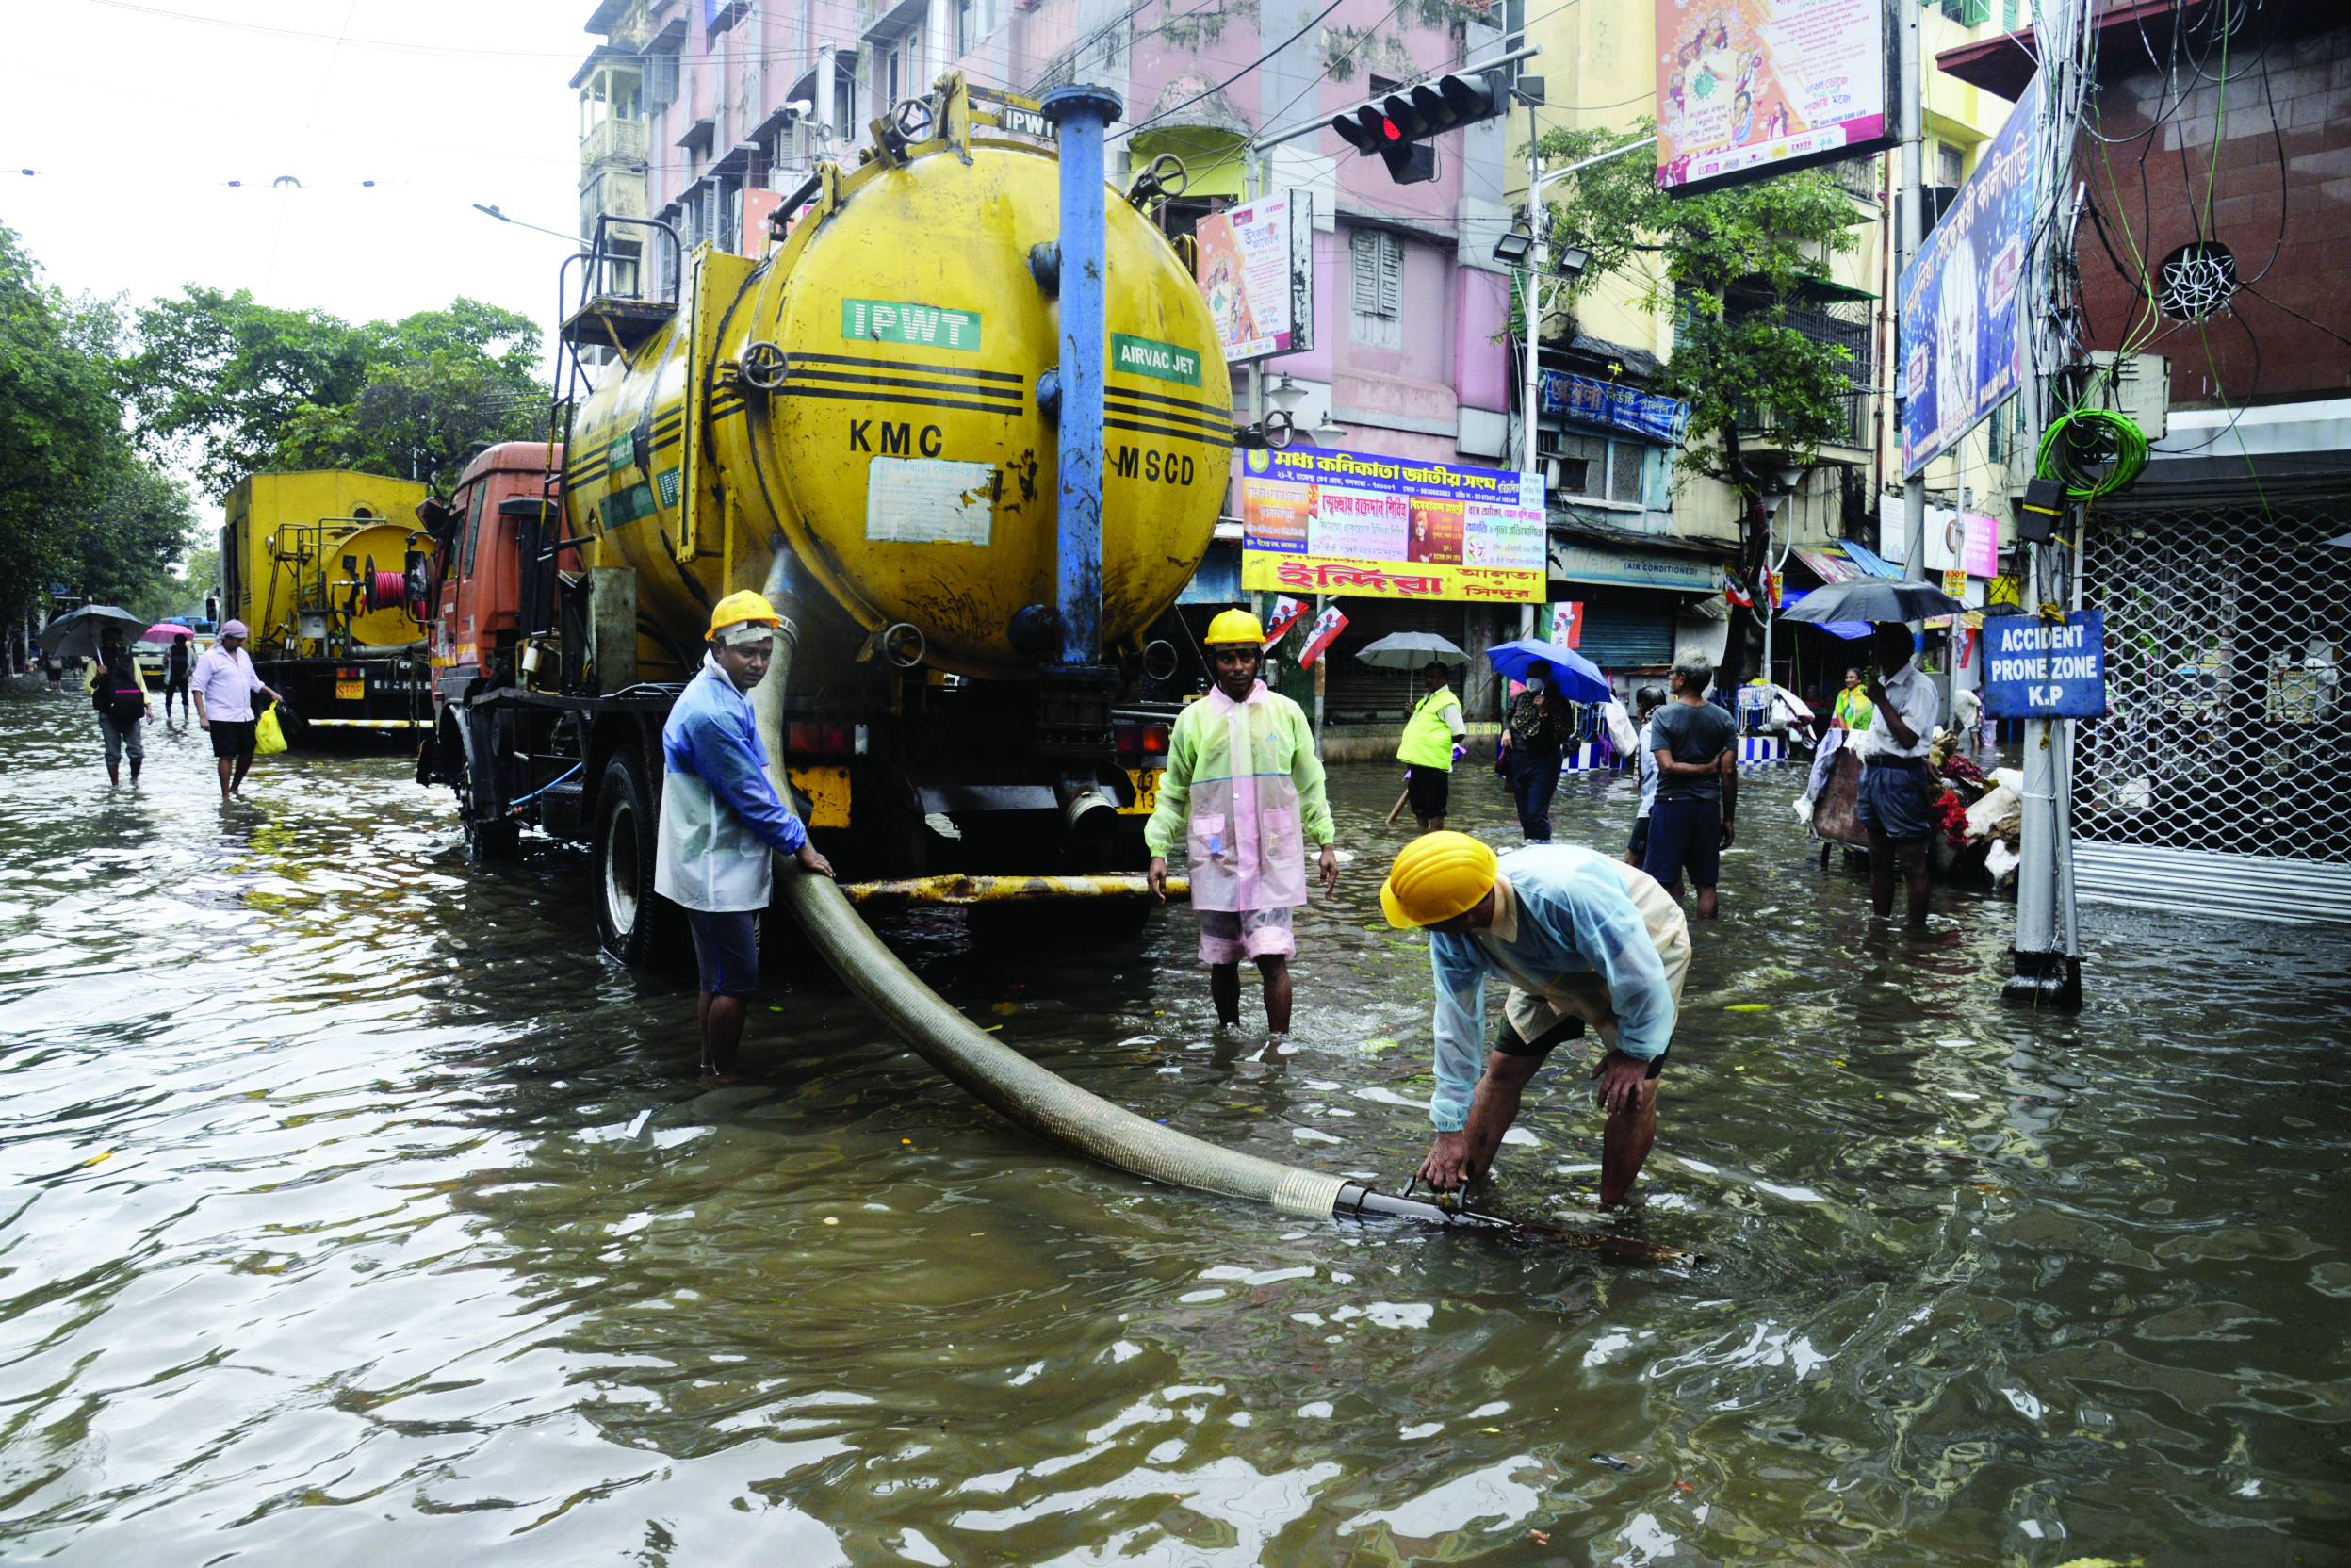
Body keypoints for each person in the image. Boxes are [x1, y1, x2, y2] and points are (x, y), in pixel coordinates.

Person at [1381, 832, 1690, 1209]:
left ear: (1463, 916)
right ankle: (1466, 1190)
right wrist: (1448, 1127)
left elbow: (1639, 977)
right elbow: (1455, 1022)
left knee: (1632, 1093)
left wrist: (1635, 1054)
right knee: (1504, 1068)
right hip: (1546, 965)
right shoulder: (1451, 931)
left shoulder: (1565, 895)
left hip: (1644, 951)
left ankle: (1610, 1211)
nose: (1422, 929)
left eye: (1425, 923)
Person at [655, 590, 837, 1080]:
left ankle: (709, 1064)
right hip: (716, 868)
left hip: (711, 861)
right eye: (747, 653)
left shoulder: (724, 694)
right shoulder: (711, 713)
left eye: (766, 653)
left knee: (713, 978)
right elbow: (753, 797)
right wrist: (802, 845)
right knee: (736, 982)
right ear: (718, 649)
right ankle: (724, 1079)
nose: (758, 663)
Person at [1145, 609, 1340, 1035]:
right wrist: (1158, 850)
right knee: (1222, 958)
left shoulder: (1286, 713)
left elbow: (1310, 783)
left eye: (1246, 657)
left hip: (1272, 858)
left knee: (1272, 958)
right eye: (1228, 658)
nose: (1238, 667)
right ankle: (1228, 1039)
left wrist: (1325, 842)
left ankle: (1279, 1046)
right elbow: (1174, 792)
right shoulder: (1192, 721)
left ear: (1259, 658)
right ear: (1214, 659)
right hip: (1217, 858)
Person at [1855, 622, 1944, 930]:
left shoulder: (1918, 687)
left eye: (1877, 645)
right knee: (1878, 860)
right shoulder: (1883, 682)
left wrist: (1879, 699)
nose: (1872, 651)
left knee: (1911, 864)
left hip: (1900, 780)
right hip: (1874, 775)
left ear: (1891, 650)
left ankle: (1916, 936)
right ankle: (1880, 928)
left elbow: (1907, 739)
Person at [1642, 654, 1738, 919]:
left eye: (1671, 673)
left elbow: (1667, 767)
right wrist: (1728, 819)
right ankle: (1708, 943)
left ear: (1683, 679)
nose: (1670, 678)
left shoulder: (1663, 715)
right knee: (1707, 885)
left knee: (1660, 883)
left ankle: (1668, 944)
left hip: (1671, 804)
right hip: (1707, 805)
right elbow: (1728, 771)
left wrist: (1705, 769)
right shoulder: (1724, 718)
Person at [191, 620, 286, 800]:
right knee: (226, 754)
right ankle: (225, 795)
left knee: (248, 753)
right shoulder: (210, 657)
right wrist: (203, 717)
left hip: (244, 715)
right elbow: (197, 689)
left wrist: (272, 693)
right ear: (226, 638)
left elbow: (253, 681)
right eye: (237, 639)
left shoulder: (243, 655)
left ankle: (235, 787)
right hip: (221, 715)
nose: (241, 643)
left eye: (242, 639)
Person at [1496, 674, 1570, 841]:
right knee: (1524, 814)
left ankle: (1543, 847)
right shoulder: (1522, 698)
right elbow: (1511, 716)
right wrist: (1506, 730)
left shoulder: (1559, 703)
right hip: (1520, 760)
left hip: (1545, 764)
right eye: (1529, 675)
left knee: (1536, 813)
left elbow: (1560, 734)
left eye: (1535, 675)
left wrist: (1545, 711)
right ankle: (1529, 846)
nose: (1531, 680)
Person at [1396, 661, 1466, 833]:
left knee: (1435, 807)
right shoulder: (1426, 699)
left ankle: (1435, 841)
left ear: (1443, 679)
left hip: (1434, 763)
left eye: (1432, 677)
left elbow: (1459, 733)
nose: (1428, 680)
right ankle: (1421, 837)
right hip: (1418, 761)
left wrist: (1437, 743)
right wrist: (1414, 713)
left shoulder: (1448, 702)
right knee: (1418, 805)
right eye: (1426, 676)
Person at [85, 628, 156, 786]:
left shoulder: (131, 661)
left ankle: (134, 781)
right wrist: (98, 676)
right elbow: (89, 689)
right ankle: (115, 786)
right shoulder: (96, 663)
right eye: (111, 639)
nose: (115, 643)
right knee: (112, 753)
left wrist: (148, 707)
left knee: (136, 751)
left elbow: (140, 685)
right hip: (108, 714)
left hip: (131, 712)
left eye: (118, 639)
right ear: (104, 641)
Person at [1623, 684, 1668, 869]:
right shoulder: (1669, 722)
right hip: (1668, 805)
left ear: (1640, 707)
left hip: (1653, 806)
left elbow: (1659, 768)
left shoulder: (1649, 729)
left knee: (1630, 862)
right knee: (1668, 868)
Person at [161, 634, 193, 725]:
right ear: (175, 642)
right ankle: (169, 717)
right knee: (168, 698)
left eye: (182, 643)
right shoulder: (169, 650)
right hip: (171, 678)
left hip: (183, 678)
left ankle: (186, 718)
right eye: (178, 643)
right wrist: (166, 660)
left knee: (185, 698)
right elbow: (164, 666)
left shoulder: (189, 651)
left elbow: (194, 665)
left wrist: (187, 674)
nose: (180, 645)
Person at [1832, 667, 1874, 732]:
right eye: (1847, 678)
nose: (1848, 680)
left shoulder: (1867, 692)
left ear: (1859, 680)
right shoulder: (1842, 694)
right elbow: (1838, 714)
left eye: (1852, 677)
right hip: (1847, 732)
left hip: (1866, 732)